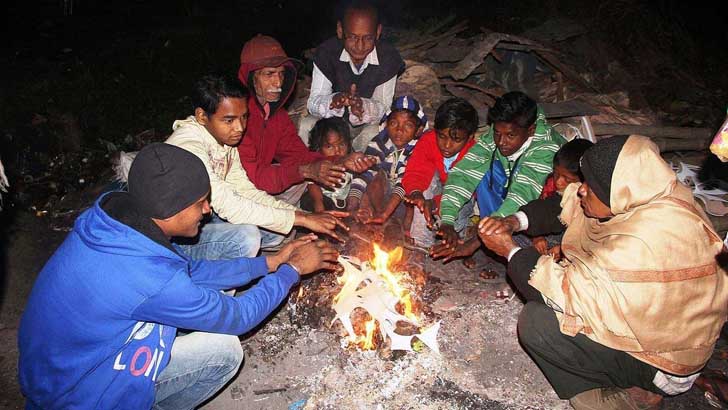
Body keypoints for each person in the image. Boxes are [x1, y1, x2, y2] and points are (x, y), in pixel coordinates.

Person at [18, 143, 340, 410]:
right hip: (78, 395)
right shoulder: (149, 277)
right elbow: (238, 316)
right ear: (171, 210)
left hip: (60, 371)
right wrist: (292, 270)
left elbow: (190, 270)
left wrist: (270, 263)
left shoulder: (120, 225)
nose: (207, 211)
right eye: (200, 203)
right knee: (225, 351)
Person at [477, 135, 728, 409]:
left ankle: (627, 397)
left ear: (616, 191)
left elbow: (563, 292)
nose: (581, 190)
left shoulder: (642, 243)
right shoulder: (648, 196)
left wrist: (509, 250)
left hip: (662, 362)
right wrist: (514, 221)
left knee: (539, 324)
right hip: (666, 334)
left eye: (589, 185)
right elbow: (566, 205)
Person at [166, 75, 347, 255]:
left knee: (278, 231)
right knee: (247, 237)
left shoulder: (224, 142)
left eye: (244, 117)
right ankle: (203, 275)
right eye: (229, 120)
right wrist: (300, 218)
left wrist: (302, 215)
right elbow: (230, 205)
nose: (240, 128)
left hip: (205, 219)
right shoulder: (190, 148)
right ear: (202, 116)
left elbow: (246, 191)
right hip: (174, 238)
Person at [236, 34, 376, 204]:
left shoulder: (277, 117)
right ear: (251, 77)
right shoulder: (238, 117)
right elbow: (255, 177)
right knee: (300, 177)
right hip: (238, 193)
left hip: (261, 185)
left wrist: (341, 160)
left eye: (281, 74)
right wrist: (307, 171)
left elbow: (299, 156)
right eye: (269, 74)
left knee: (304, 178)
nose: (278, 82)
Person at [433, 91, 565, 261]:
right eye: (497, 133)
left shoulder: (546, 148)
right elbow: (464, 173)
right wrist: (447, 220)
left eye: (510, 135)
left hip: (546, 216)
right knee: (482, 168)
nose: (501, 141)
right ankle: (491, 234)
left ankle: (496, 240)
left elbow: (523, 195)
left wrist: (477, 241)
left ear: (530, 130)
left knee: (535, 251)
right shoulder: (499, 132)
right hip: (510, 203)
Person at [299, 1, 405, 151]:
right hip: (332, 125)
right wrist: (334, 101)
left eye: (368, 38)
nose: (360, 46)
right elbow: (313, 103)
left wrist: (362, 106)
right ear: (340, 30)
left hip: (365, 126)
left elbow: (383, 108)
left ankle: (360, 170)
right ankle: (315, 167)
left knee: (377, 131)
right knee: (306, 125)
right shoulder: (326, 53)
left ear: (378, 32)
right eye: (353, 37)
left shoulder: (388, 58)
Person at [402, 97, 478, 248]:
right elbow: (417, 170)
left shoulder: (474, 154)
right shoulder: (429, 140)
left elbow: (462, 191)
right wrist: (416, 192)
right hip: (435, 187)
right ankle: (421, 245)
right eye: (442, 137)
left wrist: (436, 204)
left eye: (456, 140)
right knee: (422, 200)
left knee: (452, 228)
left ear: (469, 137)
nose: (447, 145)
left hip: (461, 196)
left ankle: (457, 237)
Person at [348, 95, 426, 225]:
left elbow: (404, 183)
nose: (399, 130)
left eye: (408, 125)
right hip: (382, 199)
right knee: (372, 175)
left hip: (402, 200)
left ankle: (401, 228)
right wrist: (352, 205)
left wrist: (385, 214)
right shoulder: (380, 142)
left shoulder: (418, 149)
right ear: (386, 124)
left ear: (418, 130)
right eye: (394, 123)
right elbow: (364, 174)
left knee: (412, 198)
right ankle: (370, 218)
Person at [529, 138, 593, 259]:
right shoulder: (550, 184)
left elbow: (588, 234)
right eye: (556, 173)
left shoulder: (591, 196)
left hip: (577, 238)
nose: (558, 182)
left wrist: (563, 249)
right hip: (552, 233)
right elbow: (540, 213)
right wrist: (537, 236)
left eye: (568, 180)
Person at [301, 117, 354, 212]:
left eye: (342, 145)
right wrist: (319, 203)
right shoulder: (317, 164)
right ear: (318, 148)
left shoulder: (350, 162)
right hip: (323, 198)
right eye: (329, 146)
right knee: (307, 201)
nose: (337, 151)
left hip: (346, 201)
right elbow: (312, 185)